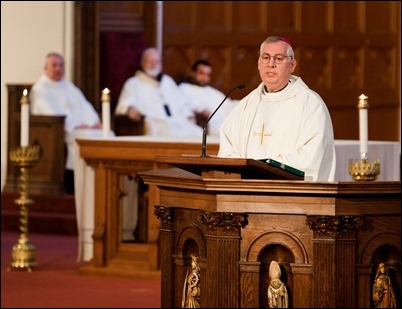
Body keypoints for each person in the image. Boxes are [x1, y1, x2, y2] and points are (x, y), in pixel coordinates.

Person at [218, 35, 336, 181]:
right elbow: (228, 151)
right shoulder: (245, 106)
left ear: (292, 65)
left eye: (279, 58)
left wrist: (265, 170)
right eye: (266, 57)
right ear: (259, 63)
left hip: (288, 196)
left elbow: (312, 155)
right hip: (246, 194)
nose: (271, 64)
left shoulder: (310, 104)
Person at [30, 52, 112, 194]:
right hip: (64, 129)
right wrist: (75, 125)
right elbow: (49, 113)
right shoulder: (40, 89)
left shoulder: (69, 86)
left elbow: (85, 106)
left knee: (107, 133)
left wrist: (93, 122)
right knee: (85, 137)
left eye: (61, 65)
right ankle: (76, 180)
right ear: (45, 68)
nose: (58, 68)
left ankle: (104, 177)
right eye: (54, 65)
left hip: (82, 127)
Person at [115, 47, 202, 137]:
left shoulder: (168, 81)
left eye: (157, 62)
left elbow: (181, 102)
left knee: (199, 134)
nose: (154, 65)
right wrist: (130, 110)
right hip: (154, 123)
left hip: (177, 122)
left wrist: (189, 115)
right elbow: (124, 105)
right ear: (143, 63)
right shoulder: (133, 83)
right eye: (150, 61)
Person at [179, 59, 238, 137]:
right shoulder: (184, 88)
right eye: (201, 73)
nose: (204, 77)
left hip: (223, 127)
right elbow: (184, 106)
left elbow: (228, 104)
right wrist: (201, 111)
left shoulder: (212, 92)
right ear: (193, 73)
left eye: (207, 75)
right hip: (204, 128)